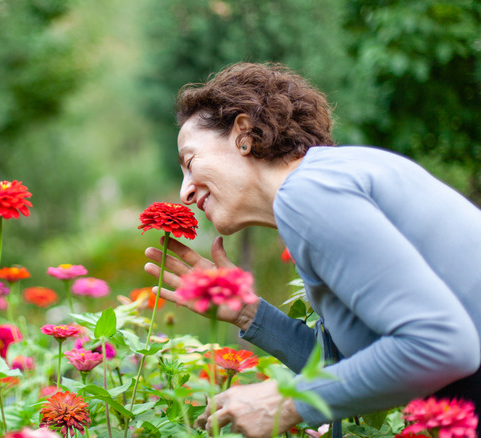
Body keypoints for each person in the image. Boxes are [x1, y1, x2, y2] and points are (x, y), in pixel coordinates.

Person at [144, 62, 481, 438]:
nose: (184, 192)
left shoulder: (309, 194)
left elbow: (442, 345)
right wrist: (249, 314)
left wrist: (285, 403)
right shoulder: (322, 185)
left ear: (243, 133)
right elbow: (365, 369)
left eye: (190, 163)